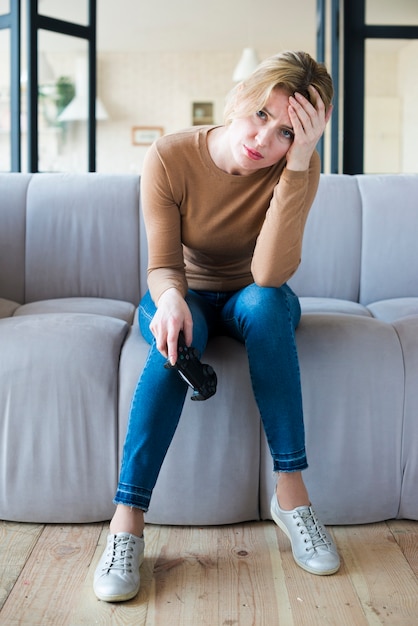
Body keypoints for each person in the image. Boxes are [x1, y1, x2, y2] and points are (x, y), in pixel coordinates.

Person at [94, 50, 339, 603]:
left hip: (254, 296)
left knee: (267, 304)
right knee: (173, 339)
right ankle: (126, 523)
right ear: (236, 100)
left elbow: (268, 273)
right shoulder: (171, 156)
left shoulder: (296, 165)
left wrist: (298, 162)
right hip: (185, 294)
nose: (263, 140)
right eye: (259, 115)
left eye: (285, 131)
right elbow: (161, 264)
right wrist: (173, 300)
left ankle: (293, 498)